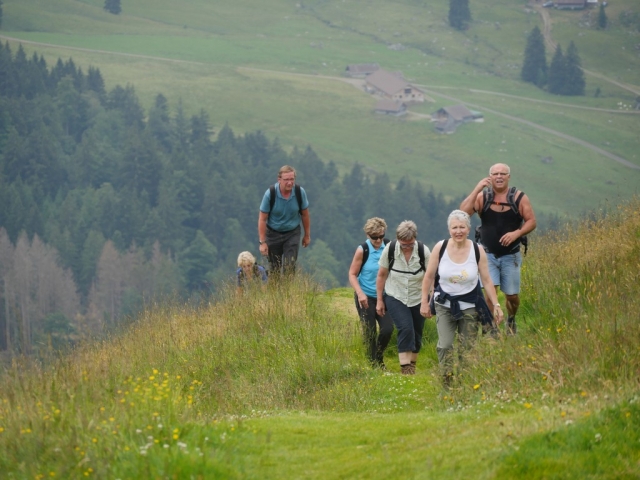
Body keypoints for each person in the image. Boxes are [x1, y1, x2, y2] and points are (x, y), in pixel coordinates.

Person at [420, 210, 504, 385]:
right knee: (445, 345)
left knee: (467, 348)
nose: (458, 231)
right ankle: (447, 382)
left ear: (468, 229)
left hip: (470, 305)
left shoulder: (477, 249)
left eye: (462, 227)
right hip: (444, 304)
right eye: (454, 227)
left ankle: (465, 384)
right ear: (449, 229)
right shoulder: (440, 247)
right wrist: (424, 303)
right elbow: (428, 277)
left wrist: (496, 304)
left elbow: (487, 280)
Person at [459, 163, 536, 335]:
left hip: (511, 255)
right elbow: (462, 214)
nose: (499, 176)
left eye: (503, 174)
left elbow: (531, 221)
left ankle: (511, 318)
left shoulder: (519, 198)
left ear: (509, 177)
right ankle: (491, 328)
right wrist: (477, 189)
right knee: (489, 293)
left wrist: (517, 233)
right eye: (495, 174)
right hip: (487, 254)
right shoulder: (482, 197)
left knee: (512, 297)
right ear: (490, 176)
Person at [376, 220, 431, 375]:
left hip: (418, 296)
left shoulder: (423, 251)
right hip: (395, 295)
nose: (406, 247)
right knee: (405, 328)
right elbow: (381, 275)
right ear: (397, 240)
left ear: (415, 239)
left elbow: (431, 276)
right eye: (403, 244)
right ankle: (405, 369)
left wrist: (429, 300)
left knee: (417, 332)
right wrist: (380, 300)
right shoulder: (391, 249)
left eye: (410, 244)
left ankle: (412, 366)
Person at [348, 217, 394, 369]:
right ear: (368, 235)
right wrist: (360, 293)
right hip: (365, 296)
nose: (378, 240)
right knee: (370, 331)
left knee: (387, 329)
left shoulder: (389, 246)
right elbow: (352, 274)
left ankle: (378, 356)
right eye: (375, 237)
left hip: (383, 296)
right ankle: (374, 364)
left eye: (381, 236)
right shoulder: (363, 250)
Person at [258, 165, 311, 276]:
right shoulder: (270, 194)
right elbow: (262, 219)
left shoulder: (299, 192)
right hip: (273, 233)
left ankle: (288, 291)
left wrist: (307, 235)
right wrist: (263, 242)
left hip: (292, 232)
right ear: (279, 180)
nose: (289, 182)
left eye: (292, 179)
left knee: (289, 265)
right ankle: (275, 292)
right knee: (274, 268)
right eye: (286, 179)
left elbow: (305, 215)